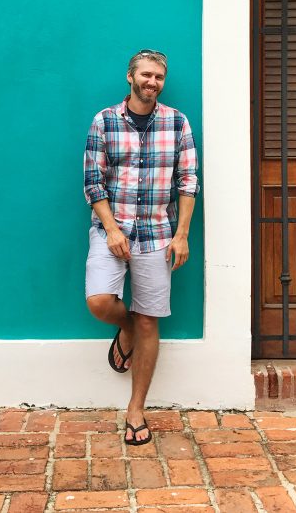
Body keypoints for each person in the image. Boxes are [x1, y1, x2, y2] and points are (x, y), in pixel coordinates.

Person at [83, 49, 199, 445]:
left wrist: (181, 234)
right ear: (130, 77)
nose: (153, 82)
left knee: (151, 319)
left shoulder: (177, 122)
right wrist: (113, 229)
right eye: (146, 75)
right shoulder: (104, 121)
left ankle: (136, 410)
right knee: (100, 301)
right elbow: (93, 182)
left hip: (156, 233)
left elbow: (187, 182)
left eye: (159, 77)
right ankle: (127, 328)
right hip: (111, 229)